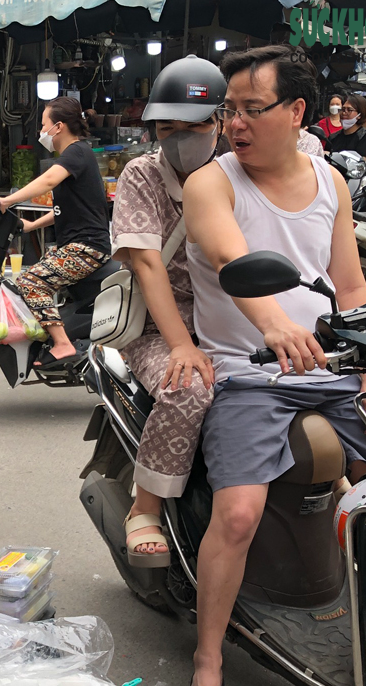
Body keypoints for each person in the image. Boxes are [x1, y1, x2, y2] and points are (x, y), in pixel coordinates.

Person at [180, 44, 366, 686]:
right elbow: (232, 259)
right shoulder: (212, 181)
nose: (233, 123)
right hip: (249, 374)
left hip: (326, 368)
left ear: (297, 112)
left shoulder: (331, 183)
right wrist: (277, 327)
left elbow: (350, 286)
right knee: (238, 513)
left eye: (250, 109)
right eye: (227, 109)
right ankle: (209, 663)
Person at [111, 56, 223, 564]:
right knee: (188, 388)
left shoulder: (239, 172)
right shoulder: (142, 174)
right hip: (157, 326)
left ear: (220, 122)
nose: (179, 138)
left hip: (230, 323)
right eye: (166, 128)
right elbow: (147, 265)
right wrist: (180, 343)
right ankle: (145, 505)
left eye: (193, 126)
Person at [0, 96, 111, 369]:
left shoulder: (76, 153)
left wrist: (8, 200)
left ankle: (63, 344)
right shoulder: (77, 156)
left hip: (86, 248)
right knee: (30, 279)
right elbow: (63, 210)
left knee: (31, 282)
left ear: (59, 127)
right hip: (79, 246)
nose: (41, 131)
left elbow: (49, 180)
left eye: (44, 125)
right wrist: (30, 226)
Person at [324, 94, 366, 165]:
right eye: (343, 109)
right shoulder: (333, 137)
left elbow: (360, 164)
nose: (344, 113)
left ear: (360, 115)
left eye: (349, 110)